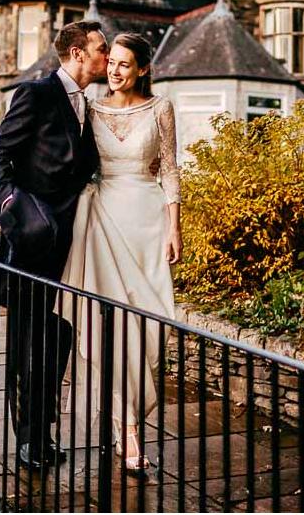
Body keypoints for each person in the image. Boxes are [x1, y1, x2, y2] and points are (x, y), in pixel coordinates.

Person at [0, 20, 108, 471]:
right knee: (28, 341)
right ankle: (29, 440)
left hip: (72, 244)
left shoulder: (90, 107)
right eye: (100, 48)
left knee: (57, 338)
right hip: (33, 239)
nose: (106, 56)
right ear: (77, 53)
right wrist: (11, 203)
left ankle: (44, 430)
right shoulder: (36, 94)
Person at [60, 32, 182, 477]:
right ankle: (127, 431)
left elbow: (169, 168)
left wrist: (174, 226)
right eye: (112, 62)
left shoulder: (161, 108)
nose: (115, 71)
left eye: (126, 64)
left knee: (149, 325)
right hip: (102, 222)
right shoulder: (88, 107)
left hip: (148, 225)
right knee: (109, 329)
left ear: (143, 69)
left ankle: (126, 422)